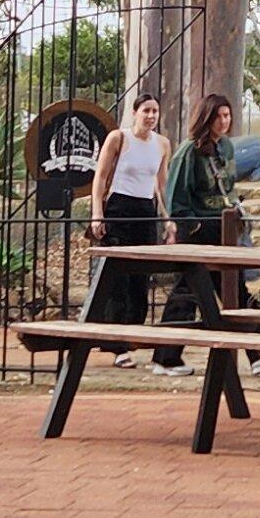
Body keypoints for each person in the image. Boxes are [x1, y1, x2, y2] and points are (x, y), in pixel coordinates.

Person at [155, 93, 241, 367]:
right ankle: (165, 357)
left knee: (234, 286)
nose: (224, 121)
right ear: (207, 118)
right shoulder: (188, 152)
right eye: (219, 116)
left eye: (227, 115)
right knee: (188, 292)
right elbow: (177, 195)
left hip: (223, 226)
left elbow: (229, 186)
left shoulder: (226, 147)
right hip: (197, 229)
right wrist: (193, 225)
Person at [90, 94, 168, 343]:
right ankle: (113, 338)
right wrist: (97, 214)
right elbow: (100, 177)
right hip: (119, 206)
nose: (151, 116)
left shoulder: (163, 144)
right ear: (135, 112)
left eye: (155, 111)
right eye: (146, 110)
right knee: (117, 275)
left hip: (145, 209)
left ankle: (134, 333)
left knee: (140, 275)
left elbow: (161, 185)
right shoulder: (119, 138)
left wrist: (168, 218)